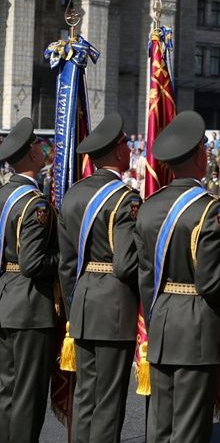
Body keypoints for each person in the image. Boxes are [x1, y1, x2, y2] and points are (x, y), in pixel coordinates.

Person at [134, 111, 220, 442]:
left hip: (161, 322)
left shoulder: (148, 206)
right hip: (196, 328)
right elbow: (212, 283)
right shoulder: (210, 210)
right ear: (200, 156)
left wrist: (159, 313)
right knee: (190, 429)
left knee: (160, 426)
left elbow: (145, 277)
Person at [57, 113, 141, 443]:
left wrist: (72, 304)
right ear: (118, 151)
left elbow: (67, 264)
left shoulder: (74, 194)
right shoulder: (125, 199)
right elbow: (125, 263)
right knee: (108, 402)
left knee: (84, 396)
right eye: (125, 145)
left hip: (83, 303)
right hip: (113, 306)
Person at [0, 118, 59, 442]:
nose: (42, 149)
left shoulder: (4, 194)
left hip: (5, 298)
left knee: (7, 392)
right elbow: (33, 262)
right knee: (27, 396)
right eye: (38, 145)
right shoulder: (35, 204)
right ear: (32, 154)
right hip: (29, 307)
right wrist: (67, 258)